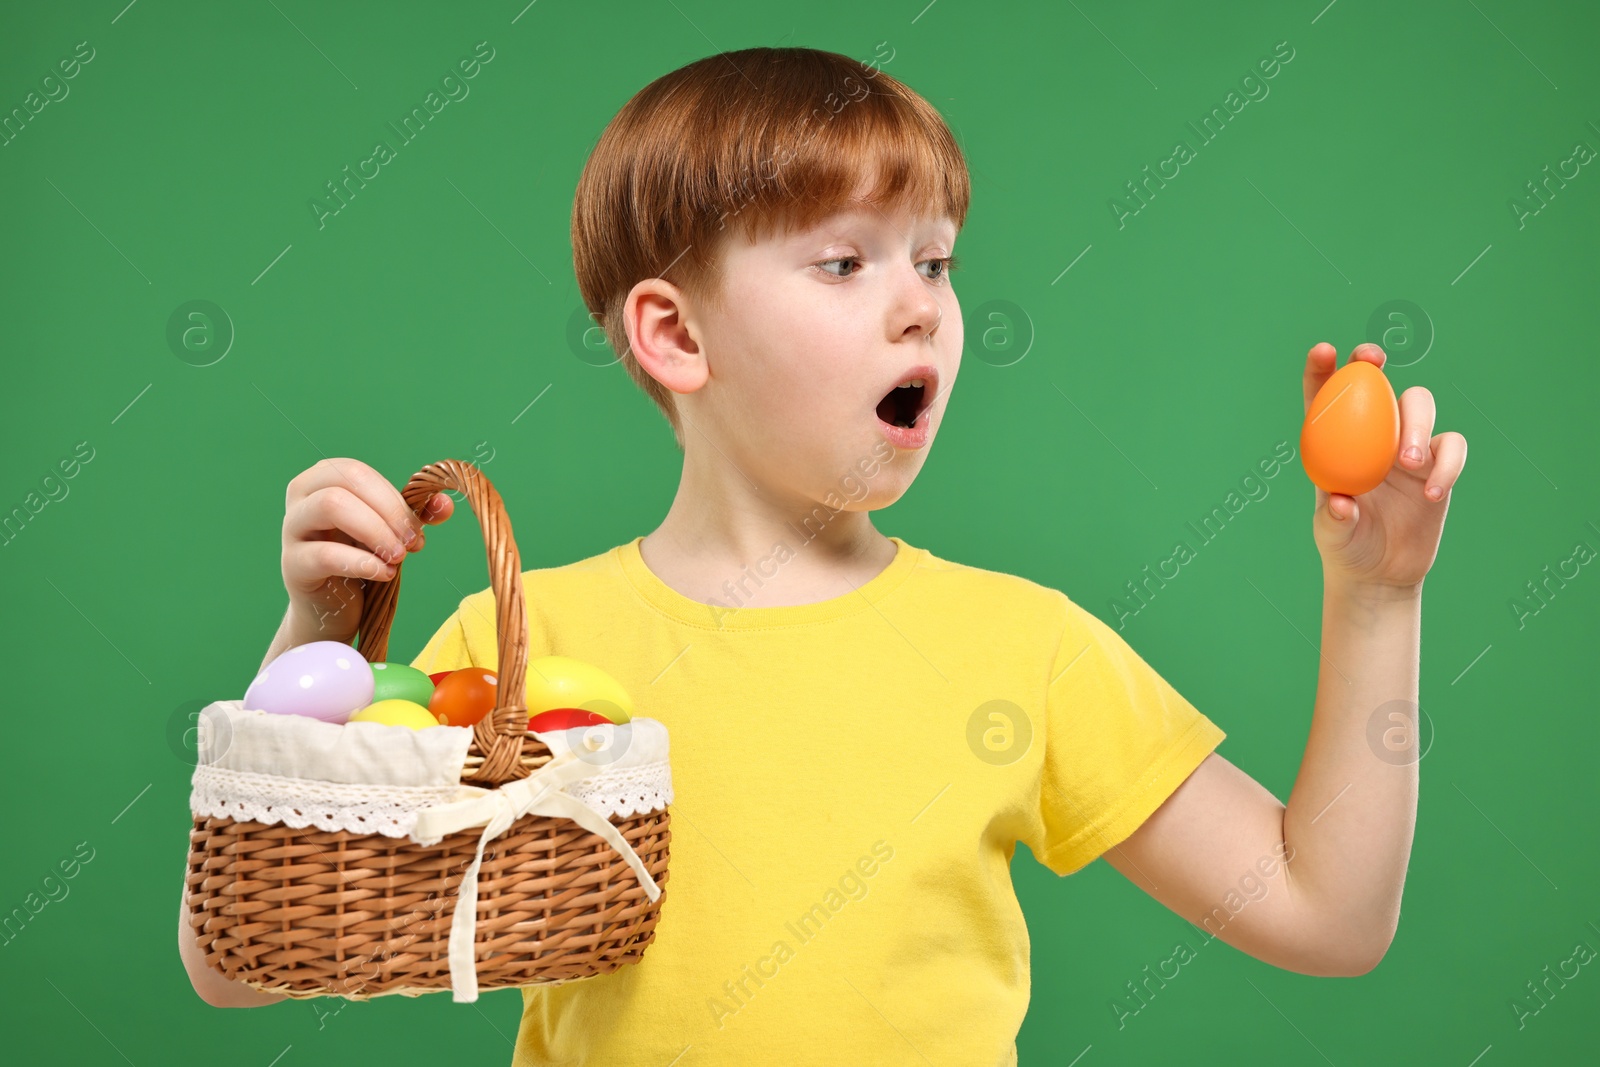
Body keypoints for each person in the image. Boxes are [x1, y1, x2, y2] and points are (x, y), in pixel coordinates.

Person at [180, 46, 1468, 1065]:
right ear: (676, 338)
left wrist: (1375, 596)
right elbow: (236, 966)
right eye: (845, 262)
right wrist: (323, 643)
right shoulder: (517, 654)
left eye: (937, 261)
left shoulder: (1026, 645)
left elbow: (1328, 917)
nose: (922, 304)